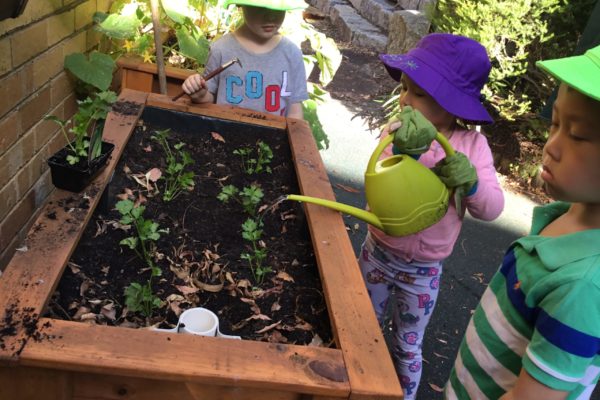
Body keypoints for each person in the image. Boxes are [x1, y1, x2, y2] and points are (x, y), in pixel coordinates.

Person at [445, 45, 600, 400]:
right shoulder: (563, 216)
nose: (552, 146)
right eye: (556, 123)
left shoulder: (582, 286)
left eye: (577, 135)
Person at [359, 33, 505, 399]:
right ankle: (353, 384)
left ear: (452, 102)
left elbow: (492, 209)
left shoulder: (472, 146)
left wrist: (470, 182)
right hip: (378, 250)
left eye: (418, 93)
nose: (405, 99)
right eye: (405, 88)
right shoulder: (400, 132)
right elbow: (381, 179)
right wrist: (403, 150)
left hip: (423, 271)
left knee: (408, 344)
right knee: (360, 326)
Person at [180, 0, 308, 119]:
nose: (270, 17)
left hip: (272, 139)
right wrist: (200, 95)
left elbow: (295, 110)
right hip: (224, 135)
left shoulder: (292, 54)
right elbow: (209, 100)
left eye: (278, 8)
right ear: (241, 5)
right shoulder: (221, 49)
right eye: (261, 8)